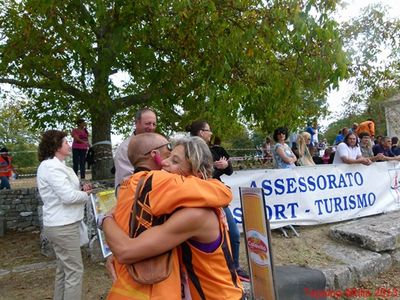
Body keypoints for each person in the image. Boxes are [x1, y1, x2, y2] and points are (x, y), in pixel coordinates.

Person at [102, 133, 240, 299]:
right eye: (169, 156)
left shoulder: (196, 215)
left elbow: (126, 251)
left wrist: (106, 219)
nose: (164, 163)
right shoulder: (183, 205)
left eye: (175, 161)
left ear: (195, 171)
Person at [186, 120, 249, 282]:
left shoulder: (216, 150)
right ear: (201, 132)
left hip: (216, 196)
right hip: (198, 198)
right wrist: (216, 169)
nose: (211, 133)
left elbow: (229, 171)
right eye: (208, 130)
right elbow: (197, 173)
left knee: (233, 233)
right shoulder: (187, 150)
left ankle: (234, 267)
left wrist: (225, 165)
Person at [37, 130, 92, 300]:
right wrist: (87, 195)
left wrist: (81, 190)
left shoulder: (59, 166)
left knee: (63, 270)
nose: (69, 145)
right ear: (56, 146)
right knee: (75, 271)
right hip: (63, 226)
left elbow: (68, 191)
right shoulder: (50, 166)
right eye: (66, 142)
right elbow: (67, 197)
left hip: (64, 224)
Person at [113, 108, 157, 188]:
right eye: (147, 123)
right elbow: (126, 182)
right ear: (136, 123)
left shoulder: (158, 145)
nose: (151, 127)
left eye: (154, 124)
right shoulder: (125, 148)